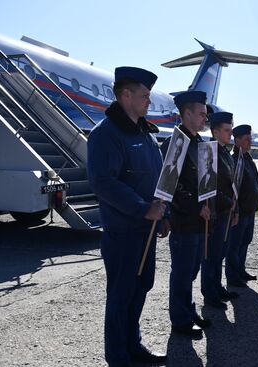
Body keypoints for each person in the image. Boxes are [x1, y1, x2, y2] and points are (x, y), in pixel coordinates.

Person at [87, 66, 167, 366]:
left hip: (145, 230)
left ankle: (133, 346)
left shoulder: (145, 134)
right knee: (121, 295)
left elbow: (158, 181)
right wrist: (143, 208)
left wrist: (163, 215)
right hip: (123, 233)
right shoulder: (106, 134)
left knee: (140, 290)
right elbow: (103, 182)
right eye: (144, 95)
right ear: (125, 95)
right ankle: (118, 356)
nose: (149, 101)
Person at [161, 90, 212, 339]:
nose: (205, 118)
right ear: (187, 114)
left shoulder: (201, 144)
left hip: (200, 219)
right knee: (181, 272)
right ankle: (179, 320)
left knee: (191, 271)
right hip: (184, 221)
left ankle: (189, 311)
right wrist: (196, 207)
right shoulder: (175, 143)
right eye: (201, 113)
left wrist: (209, 203)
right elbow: (173, 186)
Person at [201, 111, 239, 309]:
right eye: (226, 130)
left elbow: (230, 183)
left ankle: (217, 286)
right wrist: (227, 202)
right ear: (215, 131)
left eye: (230, 129)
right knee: (211, 255)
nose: (230, 133)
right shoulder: (208, 151)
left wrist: (234, 208)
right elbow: (209, 186)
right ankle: (209, 293)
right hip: (215, 212)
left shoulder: (224, 152)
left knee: (220, 254)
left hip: (226, 211)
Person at [226, 124, 258, 285]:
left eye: (250, 138)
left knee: (245, 242)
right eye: (247, 139)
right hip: (239, 211)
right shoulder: (235, 160)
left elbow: (256, 180)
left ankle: (240, 270)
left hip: (250, 210)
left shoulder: (247, 159)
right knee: (234, 245)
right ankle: (233, 276)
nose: (250, 142)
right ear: (237, 140)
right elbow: (233, 189)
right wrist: (236, 210)